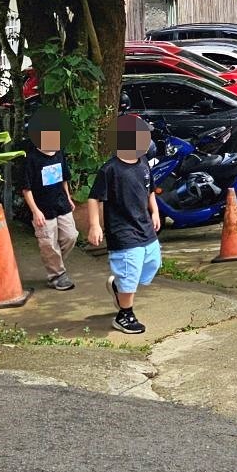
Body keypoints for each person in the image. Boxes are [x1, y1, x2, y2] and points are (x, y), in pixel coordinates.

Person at [86, 113, 161, 335]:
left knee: (152, 263)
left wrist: (155, 212)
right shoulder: (110, 169)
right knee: (130, 273)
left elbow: (149, 191)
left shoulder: (144, 163)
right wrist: (95, 225)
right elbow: (94, 198)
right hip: (122, 231)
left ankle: (119, 288)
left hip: (145, 227)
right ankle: (124, 315)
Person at [17, 108, 78, 291]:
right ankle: (57, 275)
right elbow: (26, 189)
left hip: (61, 204)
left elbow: (64, 179)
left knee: (70, 236)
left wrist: (68, 198)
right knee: (48, 243)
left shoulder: (59, 153)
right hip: (43, 209)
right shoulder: (31, 159)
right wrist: (35, 212)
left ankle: (55, 264)